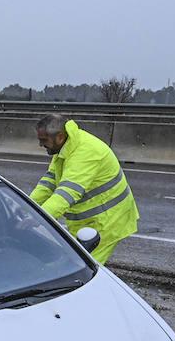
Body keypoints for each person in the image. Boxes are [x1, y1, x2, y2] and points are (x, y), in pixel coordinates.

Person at [30, 113, 139, 264]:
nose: (41, 145)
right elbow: (49, 182)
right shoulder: (66, 147)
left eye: (43, 140)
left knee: (85, 269)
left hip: (107, 222)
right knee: (80, 265)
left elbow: (66, 194)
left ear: (60, 137)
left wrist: (38, 218)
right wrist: (26, 206)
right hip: (89, 223)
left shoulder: (85, 153)